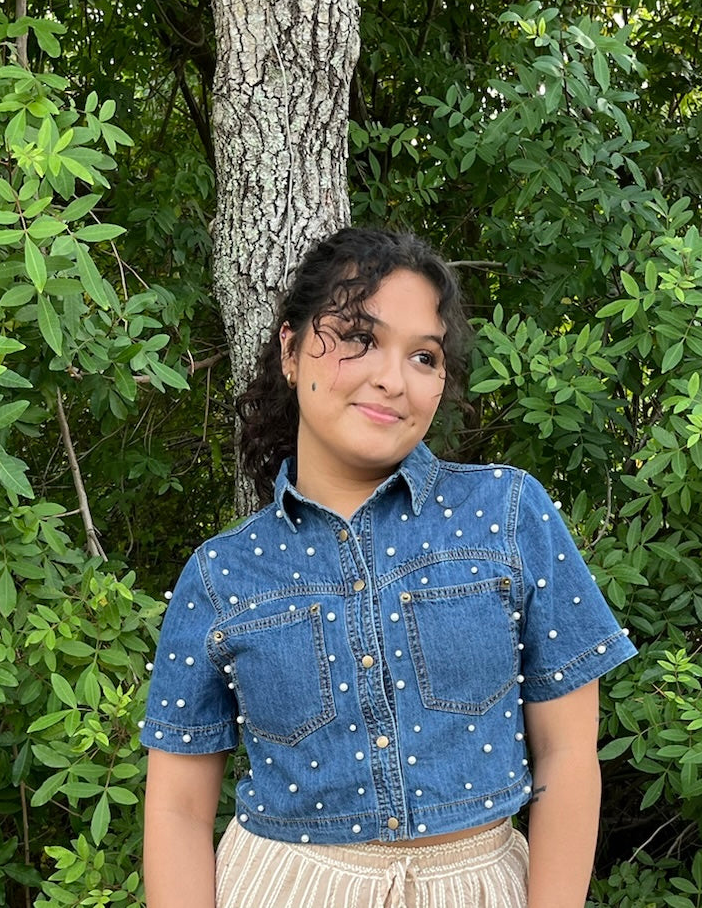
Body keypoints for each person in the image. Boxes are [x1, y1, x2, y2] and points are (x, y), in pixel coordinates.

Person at [140, 228, 636, 908]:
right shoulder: (221, 574)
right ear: (290, 351)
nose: (393, 379)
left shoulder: (507, 513)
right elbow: (177, 808)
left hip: (478, 887)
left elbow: (569, 755)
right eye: (359, 338)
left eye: (423, 356)